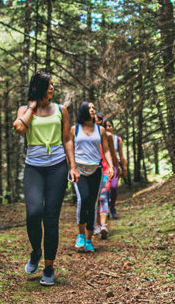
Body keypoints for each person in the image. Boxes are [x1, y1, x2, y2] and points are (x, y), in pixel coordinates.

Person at [12, 70, 79, 286]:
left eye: (52, 84)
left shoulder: (61, 110)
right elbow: (19, 128)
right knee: (33, 213)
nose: (52, 88)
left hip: (57, 167)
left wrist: (72, 166)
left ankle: (49, 267)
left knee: (51, 218)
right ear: (39, 87)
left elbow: (67, 138)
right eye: (49, 84)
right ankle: (36, 251)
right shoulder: (25, 110)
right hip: (34, 168)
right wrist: (31, 107)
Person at [73, 102, 114, 253]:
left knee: (92, 203)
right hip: (80, 171)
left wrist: (110, 166)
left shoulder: (100, 130)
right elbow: (69, 149)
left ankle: (89, 239)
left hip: (96, 170)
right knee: (83, 199)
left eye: (93, 108)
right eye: (89, 108)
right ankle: (80, 235)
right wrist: (71, 167)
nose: (92, 110)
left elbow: (106, 150)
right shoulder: (75, 130)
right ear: (83, 110)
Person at [93, 112, 114, 239]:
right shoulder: (85, 134)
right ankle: (95, 225)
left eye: (98, 120)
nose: (95, 121)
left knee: (103, 196)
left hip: (105, 169)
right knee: (93, 199)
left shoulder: (106, 135)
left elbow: (111, 152)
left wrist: (114, 167)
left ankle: (104, 225)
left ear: (101, 121)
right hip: (91, 170)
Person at [104, 118, 127, 219]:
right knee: (105, 188)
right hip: (104, 165)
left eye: (110, 126)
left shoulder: (117, 139)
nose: (108, 128)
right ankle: (105, 209)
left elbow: (121, 155)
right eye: (106, 126)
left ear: (112, 127)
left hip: (115, 164)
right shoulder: (101, 138)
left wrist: (124, 167)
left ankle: (112, 207)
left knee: (113, 187)